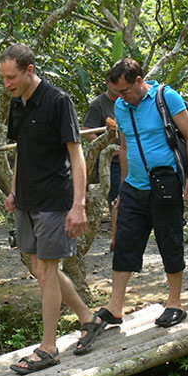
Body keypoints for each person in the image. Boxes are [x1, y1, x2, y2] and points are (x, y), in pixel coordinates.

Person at [0, 43, 102, 370]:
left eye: (11, 77)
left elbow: (76, 154)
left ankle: (48, 349)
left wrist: (79, 205)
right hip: (26, 199)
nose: (7, 84)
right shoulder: (17, 104)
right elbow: (21, 150)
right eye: (3, 78)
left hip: (54, 200)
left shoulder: (59, 101)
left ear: (30, 70)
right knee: (41, 271)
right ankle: (88, 318)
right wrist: (14, 190)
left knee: (47, 270)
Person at [91, 58, 188, 329]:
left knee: (169, 239)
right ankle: (115, 306)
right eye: (117, 92)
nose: (121, 96)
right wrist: (123, 186)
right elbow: (126, 147)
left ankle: (174, 303)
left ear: (140, 82)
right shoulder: (120, 106)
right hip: (134, 186)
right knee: (125, 241)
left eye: (126, 90)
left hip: (165, 182)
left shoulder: (166, 97)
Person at [82, 75, 120, 250]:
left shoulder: (126, 101)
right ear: (107, 83)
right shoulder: (98, 104)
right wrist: (106, 147)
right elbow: (88, 132)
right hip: (109, 161)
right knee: (115, 198)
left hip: (128, 158)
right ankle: (116, 240)